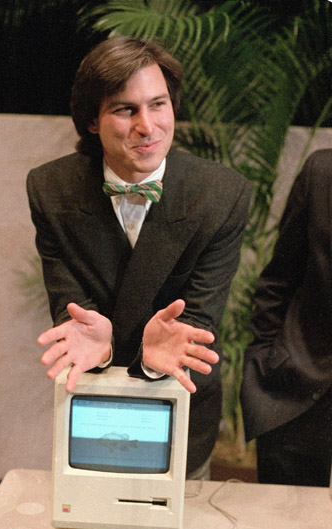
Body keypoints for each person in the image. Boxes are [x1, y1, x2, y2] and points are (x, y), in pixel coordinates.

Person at [27, 36, 252, 477]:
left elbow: (196, 321)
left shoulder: (222, 194)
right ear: (92, 121)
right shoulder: (51, 189)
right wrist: (99, 346)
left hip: (179, 399)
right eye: (125, 109)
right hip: (94, 404)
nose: (147, 126)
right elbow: (71, 306)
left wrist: (153, 359)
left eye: (158, 105)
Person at [241, 149, 332, 487]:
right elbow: (279, 279)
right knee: (281, 517)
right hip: (298, 393)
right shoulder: (322, 171)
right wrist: (268, 357)